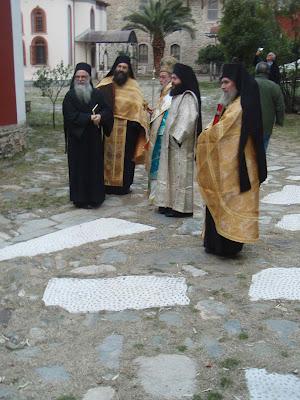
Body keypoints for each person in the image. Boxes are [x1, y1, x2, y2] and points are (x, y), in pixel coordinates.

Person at [196, 63, 267, 257]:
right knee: (220, 198)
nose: (222, 86)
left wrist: (202, 138)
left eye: (226, 82)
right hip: (227, 163)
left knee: (231, 200)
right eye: (222, 82)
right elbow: (216, 126)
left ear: (236, 83)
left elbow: (222, 132)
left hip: (236, 166)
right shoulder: (232, 103)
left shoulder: (239, 107)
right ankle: (214, 243)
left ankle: (227, 246)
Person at [63, 62, 113, 209]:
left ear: (89, 78)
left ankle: (95, 198)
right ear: (74, 78)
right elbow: (70, 116)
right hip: (76, 140)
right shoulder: (70, 96)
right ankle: (80, 199)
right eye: (77, 76)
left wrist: (101, 117)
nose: (80, 79)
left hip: (93, 140)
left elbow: (107, 111)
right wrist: (89, 118)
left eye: (83, 76)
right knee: (78, 169)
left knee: (94, 167)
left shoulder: (97, 94)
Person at [96, 56, 149, 195]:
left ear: (128, 69)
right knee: (105, 156)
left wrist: (136, 124)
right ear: (115, 68)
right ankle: (105, 184)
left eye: (124, 67)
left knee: (126, 159)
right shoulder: (105, 83)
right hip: (108, 127)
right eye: (119, 67)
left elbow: (139, 106)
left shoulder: (133, 85)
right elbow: (95, 101)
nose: (121, 69)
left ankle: (124, 186)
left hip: (128, 128)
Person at [155, 63, 202, 217]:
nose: (172, 81)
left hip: (180, 146)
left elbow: (189, 118)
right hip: (170, 144)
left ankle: (181, 208)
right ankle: (167, 203)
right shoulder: (177, 95)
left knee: (180, 177)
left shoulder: (188, 96)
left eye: (174, 78)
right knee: (168, 174)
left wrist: (176, 137)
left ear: (183, 79)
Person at [146, 56, 177, 204]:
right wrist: (154, 113)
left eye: (163, 77)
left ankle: (159, 196)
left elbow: (169, 114)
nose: (160, 80)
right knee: (156, 165)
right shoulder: (164, 92)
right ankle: (155, 195)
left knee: (160, 166)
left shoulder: (172, 92)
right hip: (158, 134)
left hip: (163, 134)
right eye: (160, 76)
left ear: (171, 77)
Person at [255, 62, 285, 150]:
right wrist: (279, 121)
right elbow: (280, 106)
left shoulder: (247, 83)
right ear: (268, 72)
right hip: (266, 125)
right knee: (262, 150)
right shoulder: (274, 86)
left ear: (256, 70)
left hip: (248, 124)